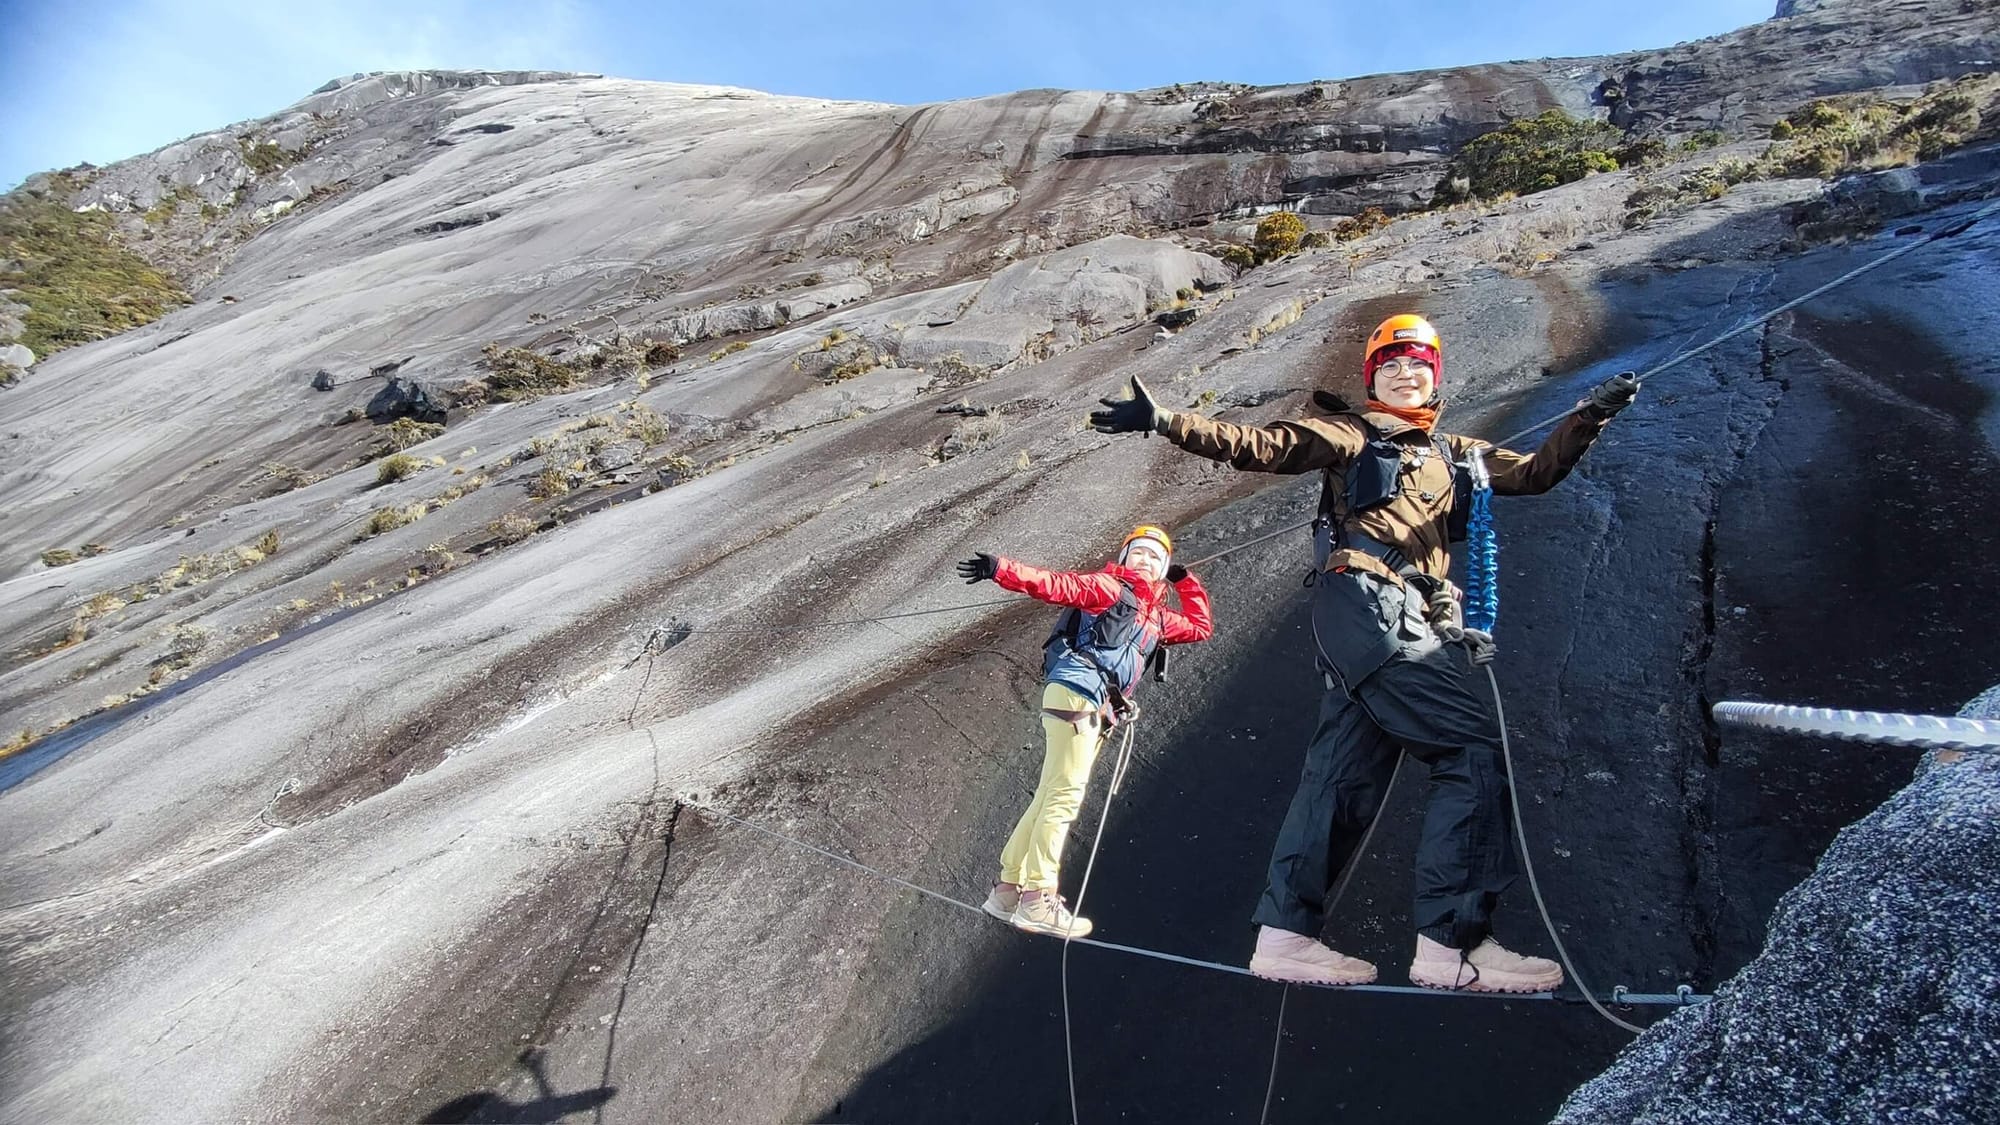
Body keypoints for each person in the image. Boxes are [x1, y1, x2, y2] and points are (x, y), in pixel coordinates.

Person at [1088, 314, 1638, 992]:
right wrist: (1168, 420)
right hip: (1373, 606)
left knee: (1341, 779)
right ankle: (1453, 943)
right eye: (1391, 365)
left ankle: (1285, 937)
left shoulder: (1457, 453)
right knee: (1469, 748)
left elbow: (1533, 474)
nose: (1406, 374)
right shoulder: (1353, 433)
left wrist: (1590, 416)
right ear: (1373, 378)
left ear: (1436, 376)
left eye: (1419, 364)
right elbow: (1266, 445)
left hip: (1376, 617)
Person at [956, 526, 1214, 938]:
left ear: (1163, 568)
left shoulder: (1157, 618)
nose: (1145, 561)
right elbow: (1055, 585)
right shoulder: (1109, 589)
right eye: (1138, 552)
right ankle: (1037, 898)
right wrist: (999, 569)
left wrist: (1185, 581)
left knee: (1049, 794)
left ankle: (1007, 891)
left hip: (1088, 702)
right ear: (1124, 557)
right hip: (1079, 693)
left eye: (1155, 557)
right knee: (1064, 797)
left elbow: (1200, 627)